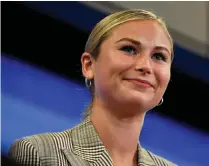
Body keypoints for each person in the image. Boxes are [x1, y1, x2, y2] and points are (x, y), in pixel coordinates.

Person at [8, 9, 176, 166]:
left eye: (159, 56)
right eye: (129, 49)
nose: (145, 66)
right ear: (89, 65)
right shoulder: (39, 153)